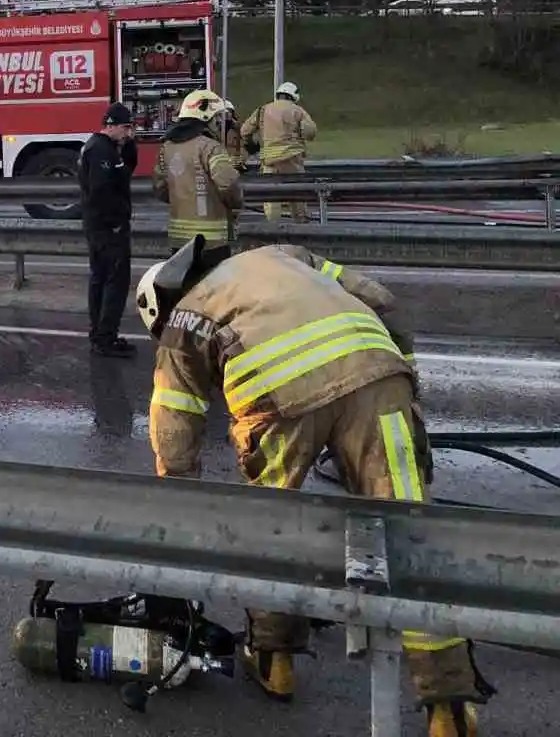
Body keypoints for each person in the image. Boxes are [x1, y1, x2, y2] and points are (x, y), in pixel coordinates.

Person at [134, 238, 494, 736]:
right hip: (377, 374)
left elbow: (175, 420)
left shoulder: (184, 318)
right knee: (411, 536)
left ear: (161, 305)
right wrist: (402, 373)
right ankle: (448, 710)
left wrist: (178, 495)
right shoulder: (285, 255)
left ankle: (274, 660)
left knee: (274, 530)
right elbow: (381, 300)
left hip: (278, 398)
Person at [77, 102, 138, 358]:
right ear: (111, 125)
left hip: (100, 225)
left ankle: (100, 334)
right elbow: (102, 190)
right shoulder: (100, 150)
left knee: (101, 278)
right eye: (125, 127)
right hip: (107, 227)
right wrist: (114, 221)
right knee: (114, 280)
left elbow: (124, 173)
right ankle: (105, 337)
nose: (128, 132)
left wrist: (130, 146)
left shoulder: (106, 148)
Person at [152, 89, 242, 252]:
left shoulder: (167, 148)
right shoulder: (210, 147)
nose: (218, 123)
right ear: (207, 118)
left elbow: (160, 188)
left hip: (178, 239)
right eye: (216, 118)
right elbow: (228, 185)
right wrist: (235, 205)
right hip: (212, 241)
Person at [241, 81, 318, 223]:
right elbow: (310, 132)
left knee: (271, 198)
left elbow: (245, 130)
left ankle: (273, 229)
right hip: (292, 160)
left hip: (270, 161)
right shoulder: (298, 110)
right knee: (297, 194)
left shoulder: (262, 110)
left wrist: (256, 141)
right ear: (294, 96)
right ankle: (302, 226)